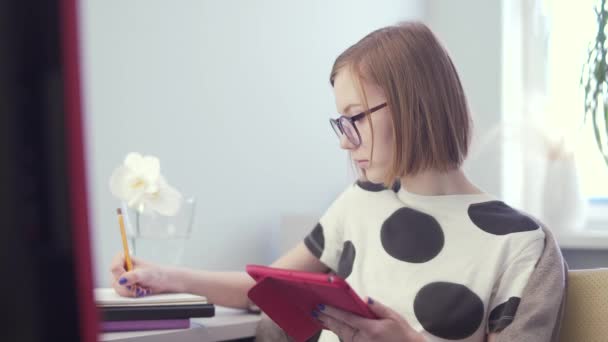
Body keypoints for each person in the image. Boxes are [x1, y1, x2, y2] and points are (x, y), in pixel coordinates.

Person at [110, 21, 551, 342]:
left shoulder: (521, 245)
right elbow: (268, 288)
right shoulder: (359, 203)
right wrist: (168, 277)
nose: (346, 142)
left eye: (355, 118)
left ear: (413, 105)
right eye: (341, 122)